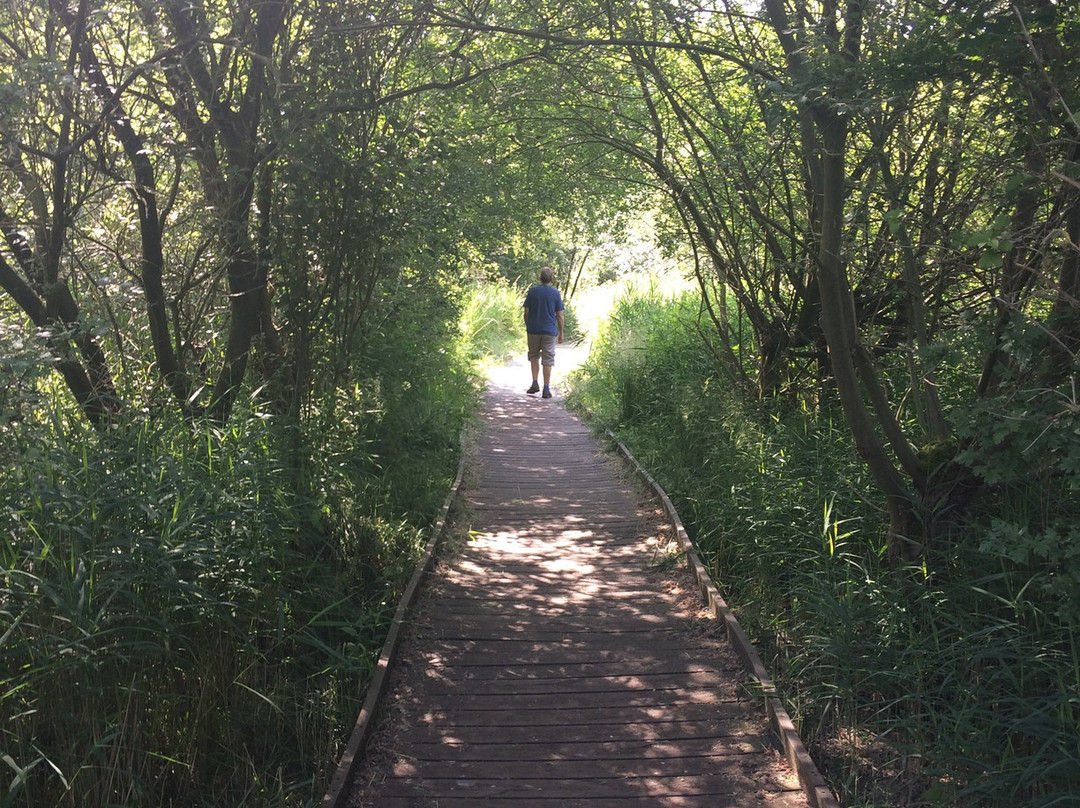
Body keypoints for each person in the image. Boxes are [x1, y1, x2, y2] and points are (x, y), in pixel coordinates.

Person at [522, 266, 564, 399]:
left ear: (540, 278)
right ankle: (546, 388)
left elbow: (526, 312)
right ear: (551, 279)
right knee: (548, 359)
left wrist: (529, 325)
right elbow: (560, 315)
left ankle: (535, 383)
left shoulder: (533, 292)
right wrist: (561, 332)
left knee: (534, 356)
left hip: (533, 329)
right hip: (549, 331)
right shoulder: (555, 293)